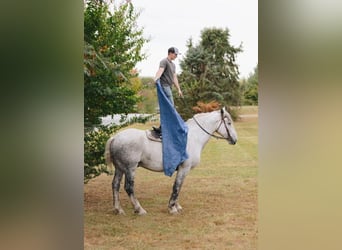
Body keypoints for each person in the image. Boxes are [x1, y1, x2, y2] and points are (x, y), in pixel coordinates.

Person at [152, 47, 183, 138]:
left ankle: (162, 129)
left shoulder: (173, 65)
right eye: (175, 54)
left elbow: (174, 77)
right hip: (164, 86)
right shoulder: (164, 61)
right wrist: (156, 78)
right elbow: (160, 71)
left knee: (169, 108)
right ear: (170, 53)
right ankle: (165, 130)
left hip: (169, 87)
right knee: (171, 108)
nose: (176, 56)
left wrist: (179, 89)